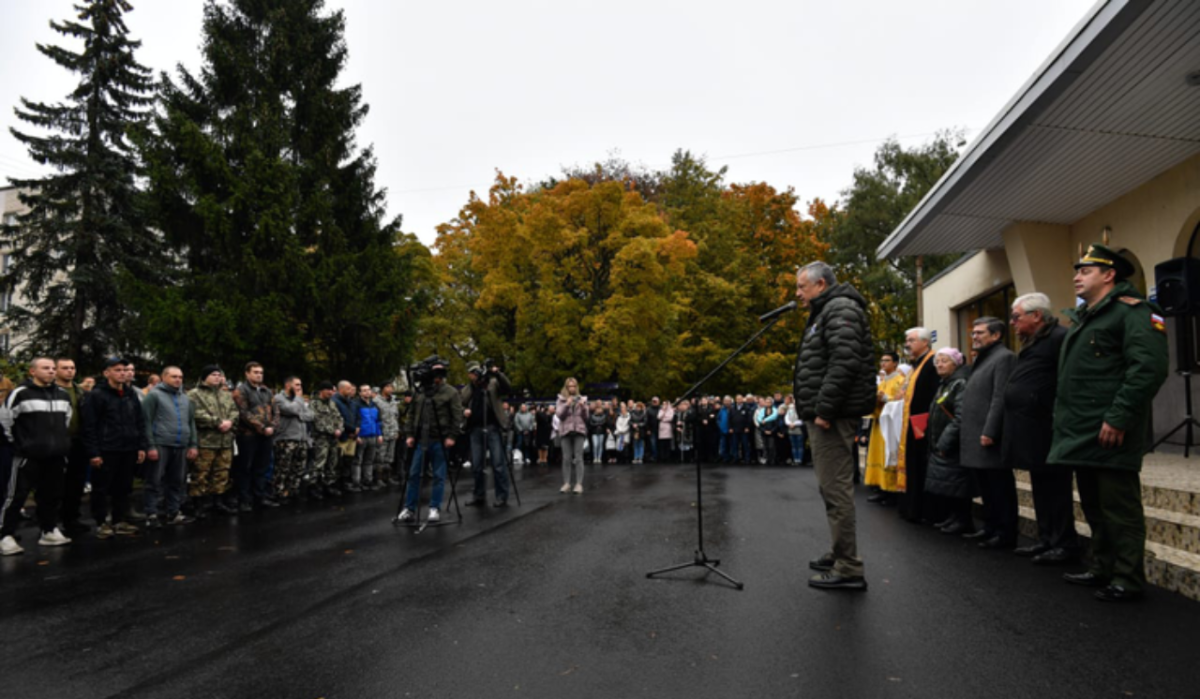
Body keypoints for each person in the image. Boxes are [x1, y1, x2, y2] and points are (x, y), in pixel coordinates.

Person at [1051, 244, 1169, 602]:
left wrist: (1118, 418)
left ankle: (1128, 578)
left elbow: (1147, 368)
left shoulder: (1133, 312)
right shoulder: (1088, 316)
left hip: (1110, 430)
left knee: (1119, 508)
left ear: (1109, 274)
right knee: (1095, 506)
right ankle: (1102, 567)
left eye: (1085, 271)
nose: (1076, 276)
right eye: (1077, 271)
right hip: (1083, 430)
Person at [793, 261, 877, 591]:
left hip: (833, 414)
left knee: (836, 488)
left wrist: (824, 409)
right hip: (828, 412)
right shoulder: (827, 310)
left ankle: (849, 567)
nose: (798, 294)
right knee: (830, 487)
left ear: (821, 285)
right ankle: (840, 552)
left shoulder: (840, 308)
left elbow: (845, 360)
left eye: (802, 287)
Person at [1005, 292, 1079, 564]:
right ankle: (1047, 538)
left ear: (1036, 316)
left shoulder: (1059, 338)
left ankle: (1064, 543)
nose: (1012, 322)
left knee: (1056, 488)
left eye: (1016, 317)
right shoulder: (1034, 342)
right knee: (1040, 487)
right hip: (1032, 429)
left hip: (1049, 428)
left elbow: (1068, 381)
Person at [0, 358, 74, 555]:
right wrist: (20, 445)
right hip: (27, 456)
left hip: (55, 456)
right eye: (45, 368)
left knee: (51, 495)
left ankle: (48, 530)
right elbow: (5, 420)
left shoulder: (63, 395)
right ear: (32, 371)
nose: (50, 371)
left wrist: (58, 445)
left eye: (52, 368)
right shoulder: (20, 394)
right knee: (16, 495)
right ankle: (4, 535)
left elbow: (65, 421)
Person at [960, 317, 1017, 549]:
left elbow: (999, 397)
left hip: (988, 435)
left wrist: (990, 430)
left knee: (999, 487)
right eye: (973, 333)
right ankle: (990, 527)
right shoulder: (984, 359)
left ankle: (1005, 533)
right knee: (986, 488)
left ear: (996, 335)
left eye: (980, 333)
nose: (974, 336)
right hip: (975, 434)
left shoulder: (1004, 358)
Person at [82, 358, 147, 538]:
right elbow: (89, 425)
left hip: (128, 448)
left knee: (124, 486)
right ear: (107, 373)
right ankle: (101, 521)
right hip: (107, 448)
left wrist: (141, 446)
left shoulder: (130, 394)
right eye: (117, 370)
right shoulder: (97, 395)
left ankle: (119, 519)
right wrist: (93, 452)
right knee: (102, 487)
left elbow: (139, 421)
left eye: (125, 370)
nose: (122, 373)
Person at [399, 359, 463, 522]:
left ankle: (434, 508)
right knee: (413, 474)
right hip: (421, 439)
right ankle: (409, 508)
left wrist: (452, 436)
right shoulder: (420, 392)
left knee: (438, 475)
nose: (437, 375)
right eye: (434, 371)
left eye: (440, 372)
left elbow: (457, 416)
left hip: (440, 439)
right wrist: (410, 434)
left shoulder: (450, 392)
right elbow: (412, 413)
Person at [923, 348, 974, 534]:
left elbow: (960, 417)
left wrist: (944, 442)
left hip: (954, 444)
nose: (939, 365)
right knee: (951, 483)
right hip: (943, 441)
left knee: (958, 482)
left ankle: (963, 519)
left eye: (944, 361)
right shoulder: (945, 383)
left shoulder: (959, 383)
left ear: (956, 363)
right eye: (938, 361)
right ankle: (954, 516)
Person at [141, 366, 199, 527]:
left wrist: (193, 444)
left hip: (181, 445)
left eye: (180, 377)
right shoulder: (154, 396)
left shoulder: (185, 398)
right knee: (154, 480)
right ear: (164, 377)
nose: (178, 380)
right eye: (174, 376)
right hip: (161, 443)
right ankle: (151, 514)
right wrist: (150, 445)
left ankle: (173, 512)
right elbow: (146, 422)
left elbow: (191, 422)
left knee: (177, 481)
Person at [897, 327, 941, 524]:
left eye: (911, 340)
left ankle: (924, 510)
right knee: (914, 465)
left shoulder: (932, 362)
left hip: (924, 425)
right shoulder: (917, 364)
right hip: (913, 424)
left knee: (922, 466)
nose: (907, 344)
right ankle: (913, 507)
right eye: (907, 340)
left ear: (925, 342)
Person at [460, 362, 513, 508]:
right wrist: (463, 411)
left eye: (475, 372)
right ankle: (479, 495)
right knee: (477, 465)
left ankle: (502, 496)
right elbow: (460, 402)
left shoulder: (493, 382)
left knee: (497, 464)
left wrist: (498, 373)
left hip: (492, 427)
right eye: (471, 373)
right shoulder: (469, 387)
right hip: (475, 429)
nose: (473, 375)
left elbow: (507, 388)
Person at [188, 365, 238, 516]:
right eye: (213, 374)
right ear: (205, 377)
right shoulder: (194, 394)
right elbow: (195, 414)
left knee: (222, 472)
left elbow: (234, 411)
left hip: (225, 441)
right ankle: (199, 504)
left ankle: (218, 501)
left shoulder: (225, 395)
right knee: (201, 473)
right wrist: (217, 422)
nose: (217, 377)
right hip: (206, 441)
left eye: (219, 375)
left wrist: (229, 421)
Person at [231, 362, 279, 510]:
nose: (259, 375)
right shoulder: (241, 391)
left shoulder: (267, 391)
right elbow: (244, 413)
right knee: (245, 467)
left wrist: (272, 426)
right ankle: (245, 499)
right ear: (247, 373)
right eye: (255, 372)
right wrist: (262, 427)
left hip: (266, 435)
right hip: (248, 435)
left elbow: (276, 411)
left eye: (261, 372)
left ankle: (260, 496)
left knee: (262, 466)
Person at [54, 358, 91, 536]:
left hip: (78, 441)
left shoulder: (80, 391)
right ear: (56, 369)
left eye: (72, 368)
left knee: (76, 483)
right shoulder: (51, 390)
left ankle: (72, 519)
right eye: (65, 368)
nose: (69, 371)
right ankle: (52, 522)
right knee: (54, 483)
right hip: (56, 441)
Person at [865, 353, 906, 503]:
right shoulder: (881, 382)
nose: (883, 363)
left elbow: (901, 402)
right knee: (879, 455)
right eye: (881, 360)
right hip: (879, 423)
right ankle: (881, 488)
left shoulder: (900, 381)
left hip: (891, 424)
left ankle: (891, 490)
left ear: (895, 363)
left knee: (889, 455)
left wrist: (886, 399)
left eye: (887, 360)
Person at [273, 376, 312, 502]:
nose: (300, 387)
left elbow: (310, 415)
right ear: (288, 385)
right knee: (283, 468)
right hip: (286, 438)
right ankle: (279, 492)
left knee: (298, 467)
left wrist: (298, 412)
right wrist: (299, 400)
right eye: (297, 385)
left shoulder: (297, 400)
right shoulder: (279, 398)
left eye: (300, 385)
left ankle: (293, 491)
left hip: (302, 438)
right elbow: (291, 409)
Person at [309, 381, 344, 499]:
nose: (330, 392)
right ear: (321, 391)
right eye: (327, 390)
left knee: (332, 462)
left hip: (333, 438)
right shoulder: (314, 404)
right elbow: (317, 421)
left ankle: (329, 484)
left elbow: (339, 418)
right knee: (319, 463)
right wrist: (332, 430)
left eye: (331, 390)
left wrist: (339, 428)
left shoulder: (332, 404)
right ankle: (313, 486)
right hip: (321, 438)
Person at [556, 378, 588, 494]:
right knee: (566, 458)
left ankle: (579, 484)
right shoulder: (561, 399)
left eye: (574, 386)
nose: (572, 388)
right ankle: (567, 484)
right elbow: (559, 415)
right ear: (566, 387)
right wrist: (567, 404)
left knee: (579, 458)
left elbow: (586, 417)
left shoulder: (582, 399)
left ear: (576, 387)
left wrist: (583, 407)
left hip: (579, 431)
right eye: (570, 386)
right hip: (565, 431)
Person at [352, 384, 383, 491]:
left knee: (369, 460)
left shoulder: (374, 405)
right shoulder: (356, 405)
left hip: (373, 436)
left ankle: (368, 480)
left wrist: (379, 434)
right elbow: (354, 420)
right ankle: (357, 482)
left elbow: (378, 421)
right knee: (358, 460)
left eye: (368, 390)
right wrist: (356, 435)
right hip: (361, 436)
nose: (367, 392)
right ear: (360, 393)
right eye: (364, 390)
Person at [375, 383, 402, 486]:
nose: (391, 389)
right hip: (383, 433)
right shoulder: (377, 401)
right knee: (380, 457)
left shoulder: (394, 402)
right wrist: (379, 433)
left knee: (390, 457)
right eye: (388, 387)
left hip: (393, 432)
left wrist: (397, 430)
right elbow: (376, 419)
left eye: (392, 387)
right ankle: (379, 478)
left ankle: (388, 477)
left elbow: (396, 417)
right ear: (383, 388)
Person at [783, 395, 805, 466]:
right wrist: (789, 424)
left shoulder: (801, 410)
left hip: (799, 430)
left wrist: (794, 424)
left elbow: (802, 420)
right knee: (793, 446)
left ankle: (799, 459)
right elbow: (786, 418)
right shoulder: (790, 409)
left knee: (799, 445)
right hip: (791, 430)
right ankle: (795, 459)